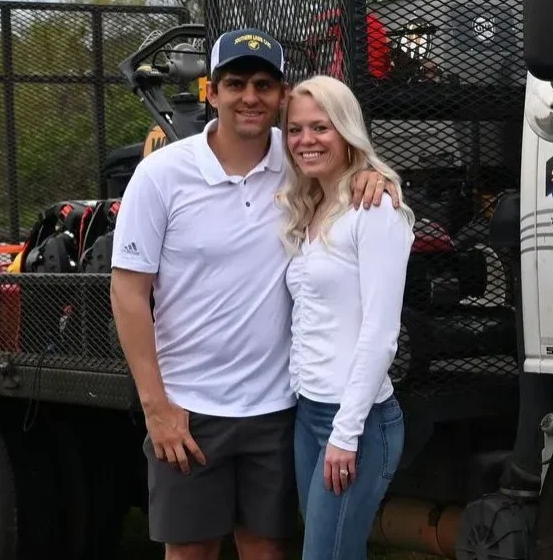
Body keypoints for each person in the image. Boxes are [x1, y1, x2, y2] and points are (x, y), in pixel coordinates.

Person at [110, 28, 398, 560]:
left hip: (277, 408)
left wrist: (378, 177)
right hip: (189, 409)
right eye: (235, 83)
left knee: (267, 549)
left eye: (264, 84)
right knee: (190, 551)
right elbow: (129, 291)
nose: (249, 96)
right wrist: (156, 406)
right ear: (211, 92)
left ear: (281, 94)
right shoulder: (161, 175)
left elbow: (350, 172)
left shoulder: (298, 162)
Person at [275, 75, 414, 559]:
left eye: (321, 127)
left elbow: (380, 335)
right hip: (309, 410)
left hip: (356, 419)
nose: (306, 141)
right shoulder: (312, 206)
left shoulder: (374, 210)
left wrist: (345, 433)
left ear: (346, 130)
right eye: (294, 130)